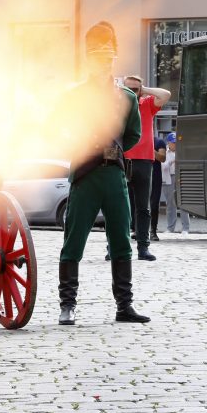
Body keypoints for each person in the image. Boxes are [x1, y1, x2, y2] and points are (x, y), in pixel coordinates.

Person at [57, 21, 150, 325]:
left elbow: (133, 134)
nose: (103, 64)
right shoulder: (75, 95)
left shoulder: (126, 96)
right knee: (74, 240)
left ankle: (124, 305)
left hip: (113, 174)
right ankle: (67, 304)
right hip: (85, 174)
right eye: (97, 58)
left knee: (122, 238)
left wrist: (114, 149)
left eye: (107, 59)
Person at [121, 75, 171, 260]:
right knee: (119, 208)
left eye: (135, 89)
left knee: (144, 207)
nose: (132, 93)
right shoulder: (118, 105)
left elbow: (166, 94)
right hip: (123, 159)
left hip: (144, 160)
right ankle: (114, 247)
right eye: (129, 89)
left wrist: (144, 90)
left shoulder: (147, 103)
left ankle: (143, 248)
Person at [161, 132, 190, 234]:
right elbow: (163, 166)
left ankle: (186, 228)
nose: (175, 144)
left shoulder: (181, 151)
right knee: (170, 204)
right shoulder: (164, 151)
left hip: (180, 177)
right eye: (173, 143)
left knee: (183, 203)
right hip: (169, 178)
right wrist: (172, 161)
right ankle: (170, 228)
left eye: (176, 142)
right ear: (168, 143)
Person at [149, 134, 167, 240]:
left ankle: (153, 231)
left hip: (155, 178)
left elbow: (162, 158)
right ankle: (138, 230)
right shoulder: (137, 140)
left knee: (154, 205)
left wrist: (150, 148)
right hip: (141, 176)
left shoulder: (159, 142)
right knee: (138, 205)